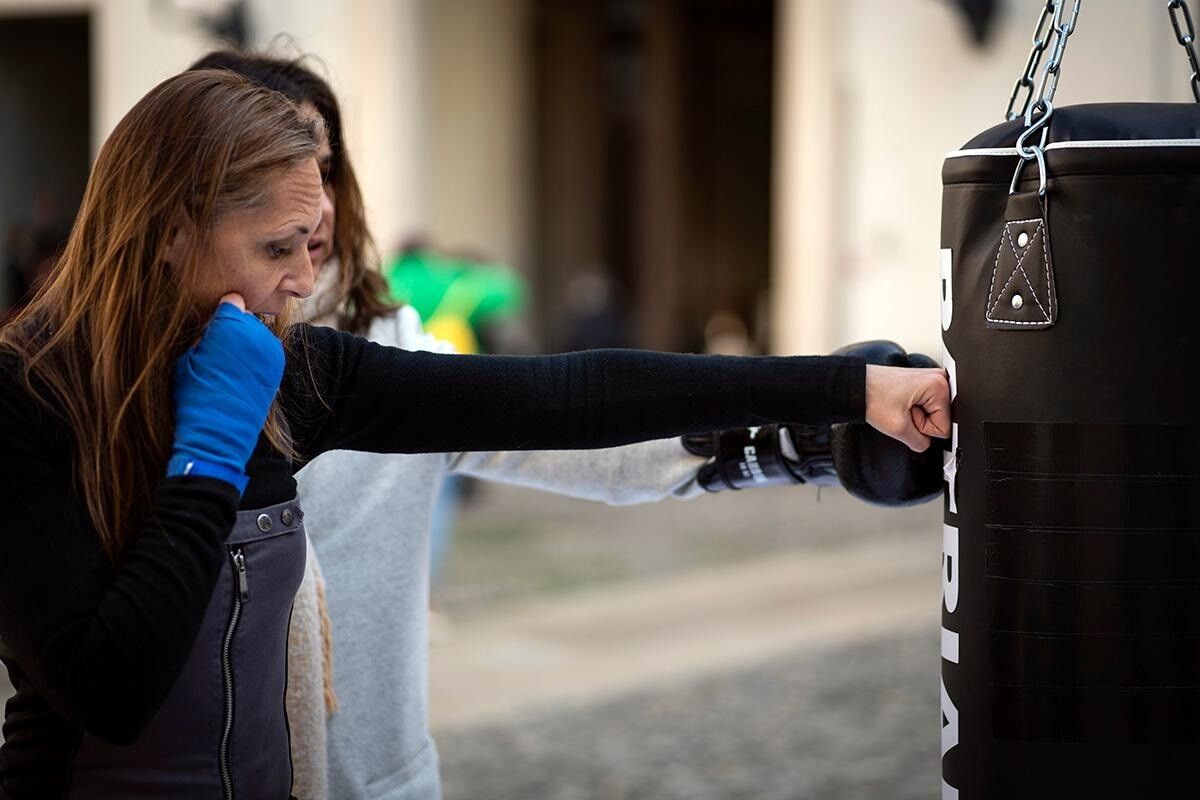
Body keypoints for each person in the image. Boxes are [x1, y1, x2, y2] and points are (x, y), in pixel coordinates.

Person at [0, 69, 948, 799]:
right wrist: (207, 455)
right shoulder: (28, 393)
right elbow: (108, 690)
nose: (303, 283)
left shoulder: (296, 371)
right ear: (169, 232)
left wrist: (846, 387)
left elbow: (563, 397)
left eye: (313, 246)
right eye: (276, 251)